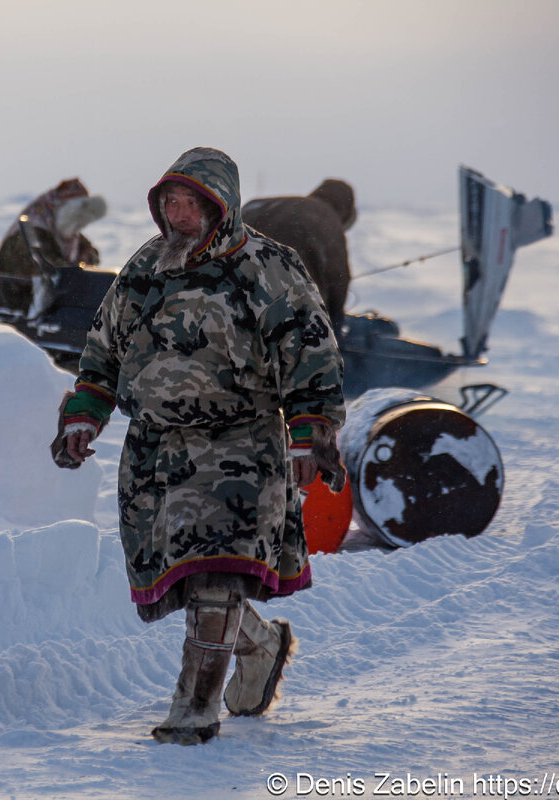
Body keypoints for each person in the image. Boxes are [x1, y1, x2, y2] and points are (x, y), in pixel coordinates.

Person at [53, 147, 346, 745]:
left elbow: (309, 350)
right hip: (159, 451)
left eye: (193, 204)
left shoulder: (268, 266)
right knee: (191, 578)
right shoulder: (145, 268)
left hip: (243, 442)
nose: (181, 215)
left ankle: (193, 709)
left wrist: (310, 431)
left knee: (218, 571)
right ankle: (261, 644)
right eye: (171, 204)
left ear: (221, 207)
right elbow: (104, 350)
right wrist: (84, 414)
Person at [0, 178, 107, 313]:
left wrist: (89, 256)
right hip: (14, 310)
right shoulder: (31, 233)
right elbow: (47, 269)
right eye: (78, 219)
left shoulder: (66, 233)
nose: (81, 226)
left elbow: (89, 252)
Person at [242, 179, 357, 321]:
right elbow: (338, 279)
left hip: (226, 299)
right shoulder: (327, 217)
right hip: (289, 311)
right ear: (345, 212)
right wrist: (336, 320)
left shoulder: (261, 205)